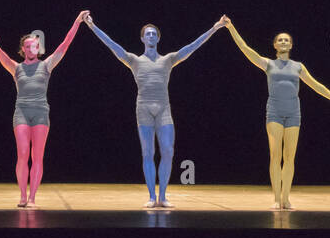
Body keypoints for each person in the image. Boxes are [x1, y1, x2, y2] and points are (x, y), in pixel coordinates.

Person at [86, 13, 226, 207]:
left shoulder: (168, 59)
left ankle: (163, 196)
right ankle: (152, 196)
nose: (151, 36)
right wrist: (92, 26)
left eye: (154, 34)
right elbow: (111, 44)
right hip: (143, 108)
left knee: (168, 151)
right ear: (142, 38)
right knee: (147, 153)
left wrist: (215, 27)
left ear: (158, 38)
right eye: (147, 34)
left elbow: (193, 46)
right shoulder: (133, 60)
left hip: (163, 109)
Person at [223, 19, 330, 209]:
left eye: (286, 40)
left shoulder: (298, 66)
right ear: (274, 45)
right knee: (275, 155)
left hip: (293, 113)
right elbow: (245, 48)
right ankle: (276, 198)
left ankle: (286, 198)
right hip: (274, 112)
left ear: (291, 45)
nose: (283, 42)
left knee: (290, 157)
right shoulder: (268, 64)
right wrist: (230, 26)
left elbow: (317, 86)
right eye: (280, 40)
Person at [0, 12, 87, 207]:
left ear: (39, 47)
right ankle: (22, 196)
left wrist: (77, 21)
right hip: (22, 113)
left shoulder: (47, 65)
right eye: (27, 46)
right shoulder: (15, 68)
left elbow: (65, 44)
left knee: (37, 156)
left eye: (34, 45)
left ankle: (33, 197)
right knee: (23, 153)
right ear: (22, 49)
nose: (31, 48)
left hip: (41, 113)